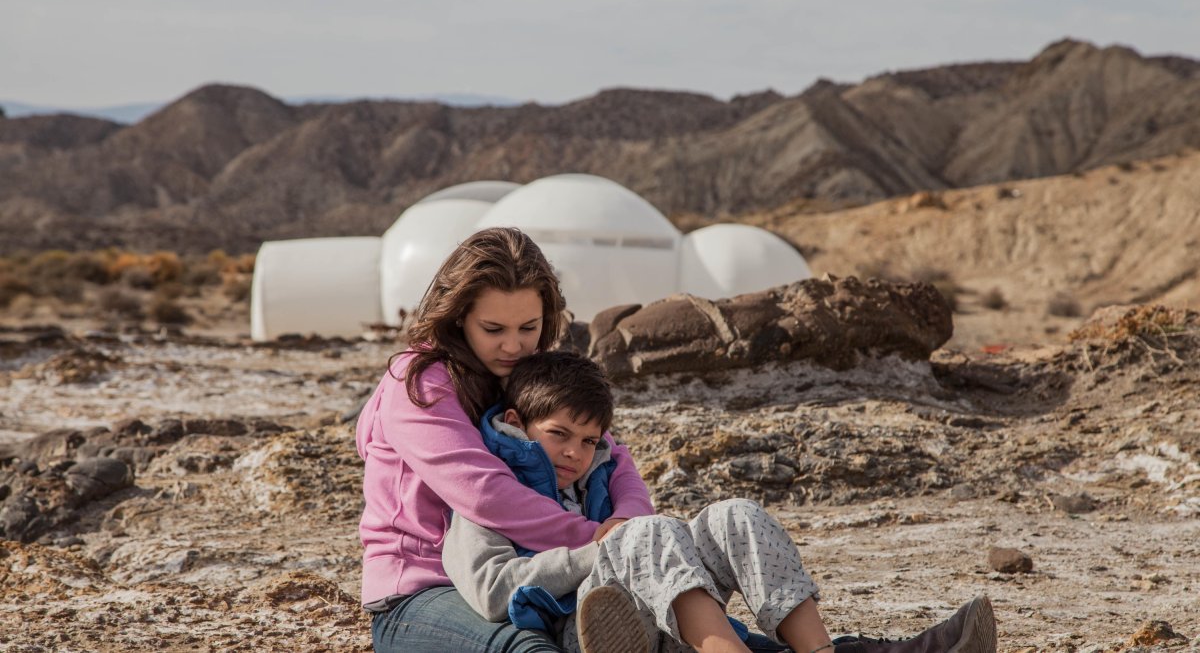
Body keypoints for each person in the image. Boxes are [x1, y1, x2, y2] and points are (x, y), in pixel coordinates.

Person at [443, 351, 999, 653]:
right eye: (559, 434)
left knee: (732, 514)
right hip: (577, 619)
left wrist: (632, 534)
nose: (574, 453)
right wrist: (598, 547)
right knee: (646, 531)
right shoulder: (486, 489)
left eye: (588, 441)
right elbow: (491, 591)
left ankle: (817, 650)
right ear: (516, 422)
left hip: (658, 608)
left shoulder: (600, 476)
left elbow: (649, 537)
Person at [358, 227, 656, 653]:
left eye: (528, 327)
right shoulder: (421, 383)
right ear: (459, 316)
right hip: (422, 590)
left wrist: (629, 525)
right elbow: (485, 494)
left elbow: (612, 456)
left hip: (531, 575)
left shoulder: (526, 372)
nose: (513, 345)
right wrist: (599, 542)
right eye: (493, 328)